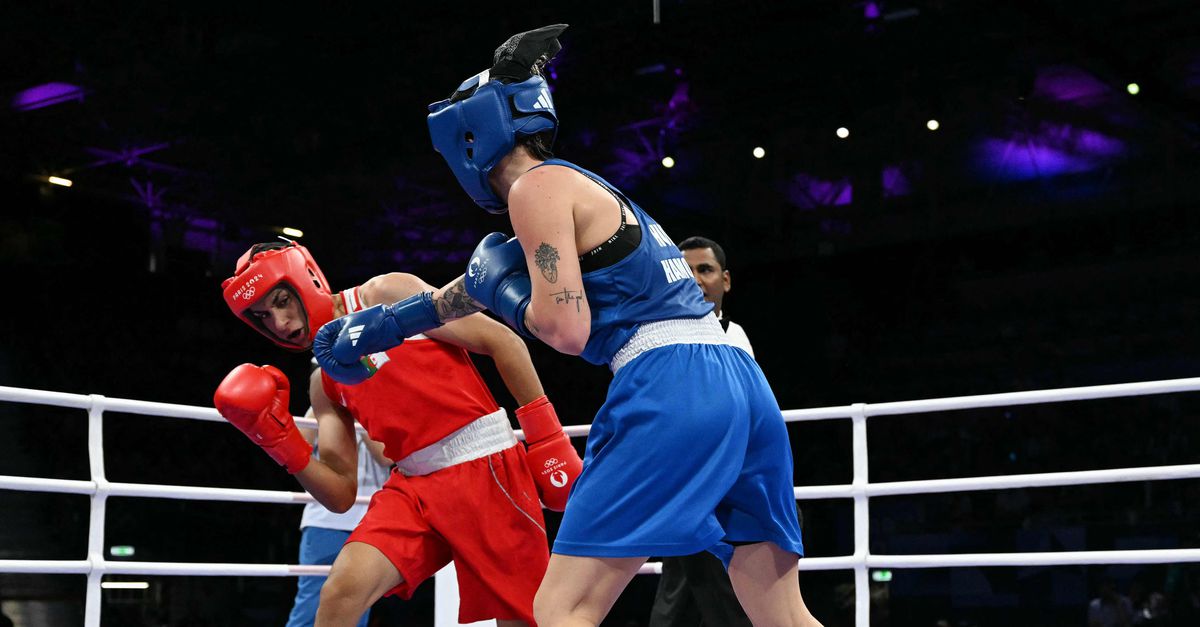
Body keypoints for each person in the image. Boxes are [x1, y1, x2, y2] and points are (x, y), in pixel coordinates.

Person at [315, 25, 821, 627]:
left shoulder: (534, 188)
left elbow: (564, 328)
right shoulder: (578, 185)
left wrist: (503, 294)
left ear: (469, 138)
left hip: (669, 383)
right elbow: (468, 291)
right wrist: (384, 327)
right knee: (776, 605)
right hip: (738, 380)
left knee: (562, 607)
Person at [214, 240, 582, 626]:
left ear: (306, 278)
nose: (279, 323)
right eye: (263, 316)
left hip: (484, 464)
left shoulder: (384, 294)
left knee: (524, 618)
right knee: (341, 590)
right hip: (413, 487)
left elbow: (502, 341)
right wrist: (281, 444)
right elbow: (341, 495)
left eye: (282, 301)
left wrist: (547, 439)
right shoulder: (324, 383)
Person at [647, 235, 756, 627]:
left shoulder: (736, 338)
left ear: (724, 280)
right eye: (685, 270)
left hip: (721, 489)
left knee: (711, 596)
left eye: (705, 270)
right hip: (676, 485)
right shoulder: (656, 336)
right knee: (679, 595)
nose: (694, 279)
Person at [286, 379, 392, 627]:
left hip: (368, 522)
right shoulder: (319, 410)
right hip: (325, 521)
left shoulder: (375, 410)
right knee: (310, 605)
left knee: (357, 606)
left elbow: (386, 456)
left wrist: (358, 407)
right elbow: (294, 452)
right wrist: (323, 405)